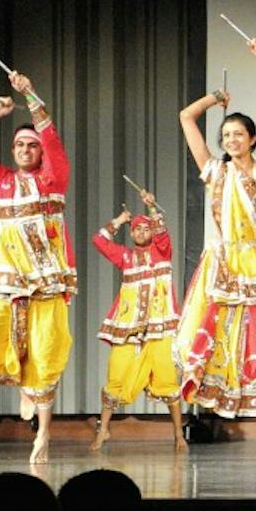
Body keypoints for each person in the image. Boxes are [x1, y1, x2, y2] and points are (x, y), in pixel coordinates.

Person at [175, 37, 256, 467]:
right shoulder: (214, 172)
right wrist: (214, 99)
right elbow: (186, 118)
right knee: (208, 342)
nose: (231, 139)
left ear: (253, 139)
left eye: (239, 133)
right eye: (226, 135)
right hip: (221, 266)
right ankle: (213, 401)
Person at [0, 70, 74, 465]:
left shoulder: (54, 179)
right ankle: (23, 383)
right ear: (12, 151)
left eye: (32, 145)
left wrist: (30, 95)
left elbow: (51, 137)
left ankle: (43, 432)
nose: (26, 149)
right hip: (4, 281)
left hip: (45, 281)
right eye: (20, 144)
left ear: (41, 153)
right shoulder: (1, 181)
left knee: (46, 352)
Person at [89, 187, 186, 454]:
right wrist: (120, 221)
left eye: (146, 229)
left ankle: (178, 434)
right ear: (131, 234)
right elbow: (99, 240)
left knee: (167, 379)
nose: (142, 232)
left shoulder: (162, 252)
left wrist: (152, 207)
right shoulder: (126, 257)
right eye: (137, 229)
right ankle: (103, 430)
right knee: (115, 376)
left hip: (159, 330)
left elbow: (162, 232)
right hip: (129, 329)